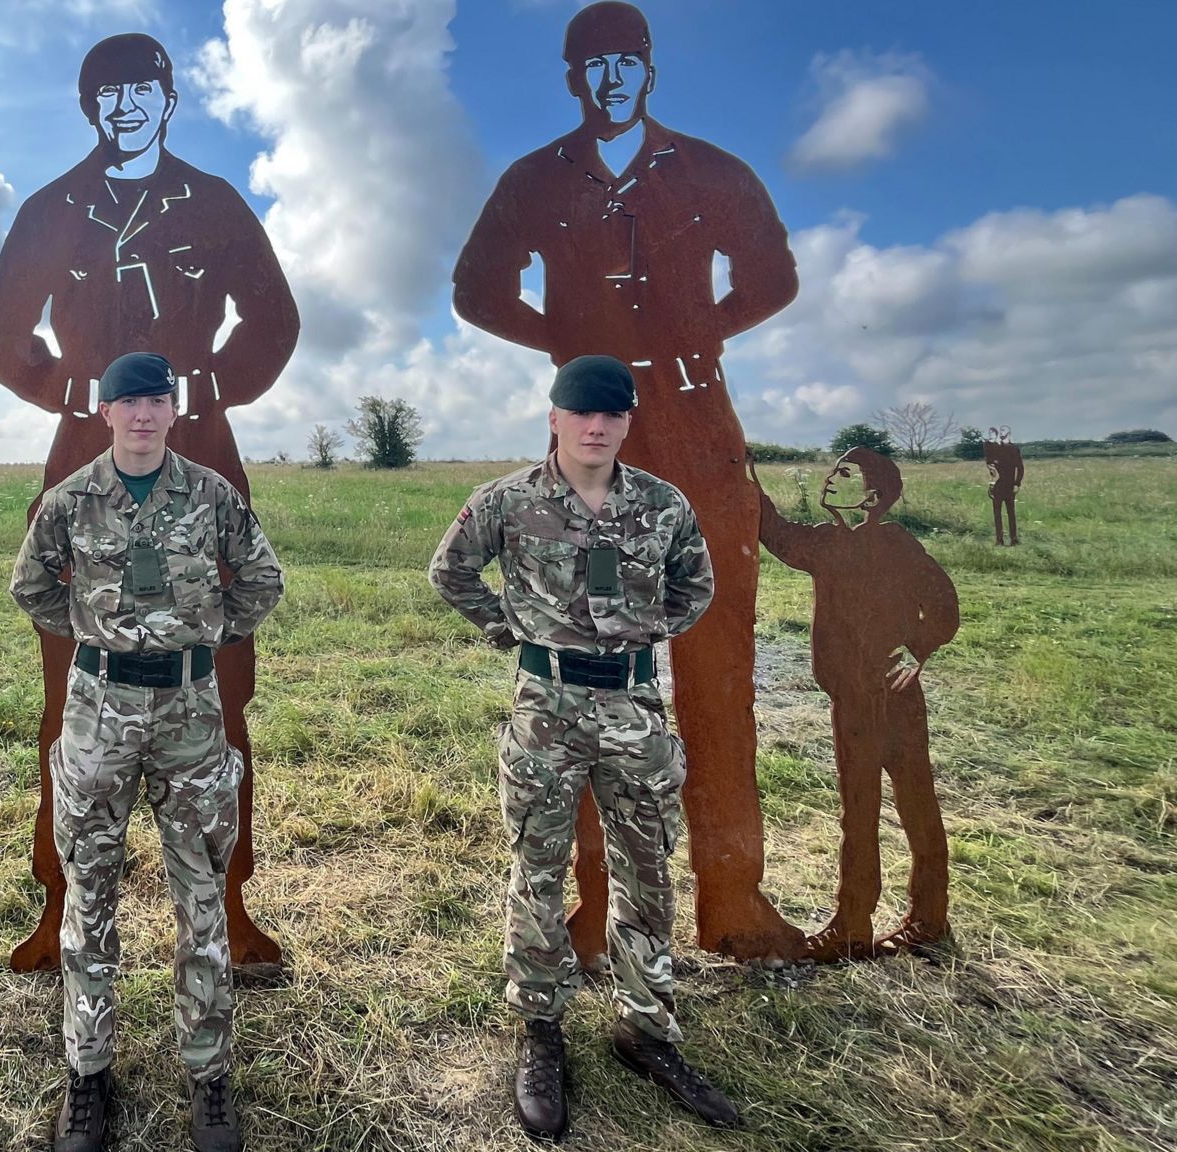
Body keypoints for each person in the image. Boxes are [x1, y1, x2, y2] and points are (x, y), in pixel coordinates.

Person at [452, 0, 804, 962]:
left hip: (694, 418)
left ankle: (734, 901)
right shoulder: (534, 180)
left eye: (626, 63)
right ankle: (594, 915)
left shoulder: (710, 170)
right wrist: (569, 343)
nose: (610, 79)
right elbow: (476, 287)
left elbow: (773, 275)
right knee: (593, 672)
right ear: (572, 78)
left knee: (716, 664)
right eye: (593, 65)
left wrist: (696, 333)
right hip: (593, 430)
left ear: (649, 72)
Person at [0, 31, 299, 972]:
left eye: (141, 89)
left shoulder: (215, 202)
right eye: (107, 91)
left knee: (222, 692)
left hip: (202, 447)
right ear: (91, 107)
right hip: (83, 448)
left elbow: (274, 319)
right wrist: (68, 395)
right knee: (67, 698)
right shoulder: (51, 209)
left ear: (169, 99)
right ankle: (60, 911)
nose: (123, 105)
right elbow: (3, 334)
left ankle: (231, 913)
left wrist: (209, 391)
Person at [430, 356, 738, 1140]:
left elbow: (693, 589)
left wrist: (638, 638)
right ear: (555, 418)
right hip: (547, 710)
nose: (595, 426)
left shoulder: (663, 505)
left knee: (646, 868)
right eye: (581, 413)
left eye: (611, 414)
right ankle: (540, 1030)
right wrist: (511, 629)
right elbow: (451, 571)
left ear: (628, 423)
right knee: (535, 865)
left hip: (634, 709)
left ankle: (646, 1027)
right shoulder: (507, 501)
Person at [9, 352, 283, 1152]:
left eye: (155, 401)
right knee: (89, 891)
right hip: (98, 714)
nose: (141, 414)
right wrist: (101, 637)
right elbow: (32, 589)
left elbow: (262, 581)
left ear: (173, 412)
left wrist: (205, 635)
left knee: (201, 890)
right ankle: (88, 1076)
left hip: (192, 716)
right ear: (105, 413)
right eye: (127, 402)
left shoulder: (210, 494)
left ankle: (208, 1075)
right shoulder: (69, 501)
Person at [757, 448, 959, 959]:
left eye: (845, 474)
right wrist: (743, 473)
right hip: (851, 701)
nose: (831, 478)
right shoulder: (825, 544)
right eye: (833, 469)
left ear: (870, 496)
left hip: (894, 700)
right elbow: (774, 531)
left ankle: (918, 918)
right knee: (861, 810)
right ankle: (860, 922)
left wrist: (917, 650)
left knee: (911, 803)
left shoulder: (896, 544)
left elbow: (943, 602)